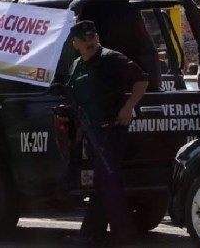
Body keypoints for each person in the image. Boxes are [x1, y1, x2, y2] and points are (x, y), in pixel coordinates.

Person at [62, 21, 149, 246]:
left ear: (97, 37)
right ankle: (97, 234)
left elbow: (142, 79)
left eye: (92, 37)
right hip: (92, 132)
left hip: (112, 129)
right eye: (84, 40)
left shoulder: (111, 58)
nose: (89, 43)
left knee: (107, 181)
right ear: (75, 44)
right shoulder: (76, 66)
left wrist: (129, 106)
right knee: (104, 183)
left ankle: (107, 234)